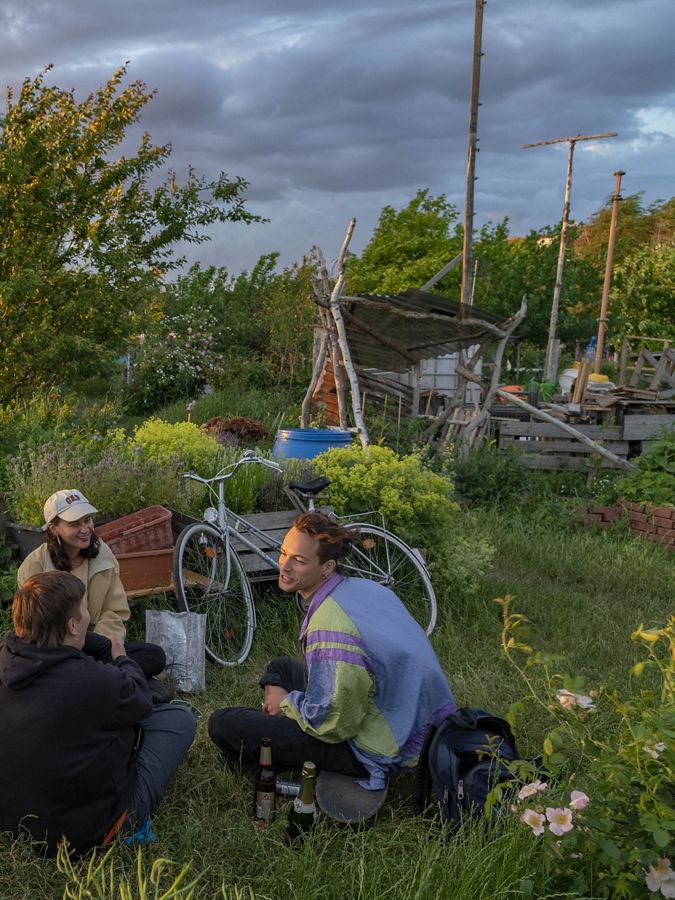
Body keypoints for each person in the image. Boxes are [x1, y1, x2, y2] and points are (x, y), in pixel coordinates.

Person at [209, 512, 457, 790]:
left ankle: (263, 746)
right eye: (284, 553)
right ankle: (267, 735)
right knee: (282, 667)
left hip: (376, 745)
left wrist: (287, 704)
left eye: (299, 560)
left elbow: (335, 723)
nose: (285, 565)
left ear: (327, 567)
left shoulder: (330, 626)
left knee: (223, 724)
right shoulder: (365, 588)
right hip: (406, 716)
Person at [0, 571, 196, 856]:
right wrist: (120, 656)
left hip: (12, 823)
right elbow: (141, 700)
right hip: (88, 832)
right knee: (178, 718)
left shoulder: (6, 656)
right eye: (84, 609)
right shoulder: (92, 681)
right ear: (71, 625)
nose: (88, 615)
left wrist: (85, 642)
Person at [17, 489, 167, 689]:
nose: (85, 528)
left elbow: (115, 610)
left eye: (87, 520)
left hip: (96, 643)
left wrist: (102, 645)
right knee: (142, 680)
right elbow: (34, 628)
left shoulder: (103, 554)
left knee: (154, 656)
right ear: (54, 529)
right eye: (74, 523)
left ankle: (95, 679)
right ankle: (109, 681)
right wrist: (72, 651)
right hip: (55, 651)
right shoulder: (35, 566)